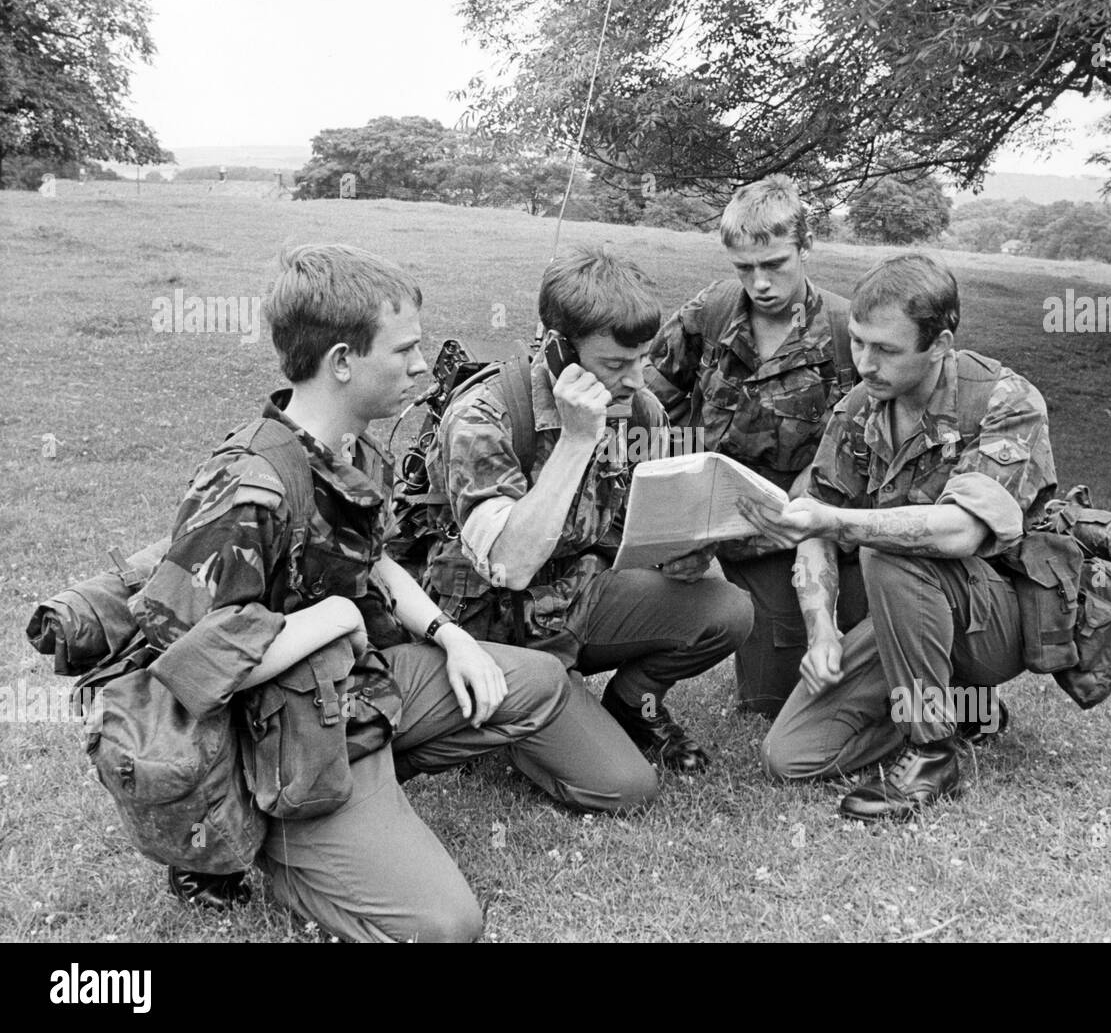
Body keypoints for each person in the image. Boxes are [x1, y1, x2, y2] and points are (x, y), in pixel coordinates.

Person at [134, 244, 657, 942]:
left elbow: (375, 560)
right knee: (447, 927)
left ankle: (378, 793)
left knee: (558, 712)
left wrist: (452, 637)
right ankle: (264, 838)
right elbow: (198, 672)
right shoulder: (247, 487)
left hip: (360, 688)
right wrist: (338, 614)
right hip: (282, 741)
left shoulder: (356, 445)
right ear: (344, 361)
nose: (422, 366)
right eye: (404, 350)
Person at [740, 252, 1057, 819]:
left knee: (891, 553)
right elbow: (815, 512)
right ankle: (964, 708)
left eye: (885, 349)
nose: (864, 363)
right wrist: (822, 632)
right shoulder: (861, 407)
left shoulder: (1005, 402)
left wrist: (840, 525)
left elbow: (958, 532)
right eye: (858, 342)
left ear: (939, 343)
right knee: (789, 756)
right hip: (905, 616)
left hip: (993, 620)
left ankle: (933, 751)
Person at [421, 245, 753, 773]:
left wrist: (683, 550)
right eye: (616, 364)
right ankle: (505, 716)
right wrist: (577, 441)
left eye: (643, 359)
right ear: (558, 351)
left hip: (578, 599)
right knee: (622, 784)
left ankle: (630, 708)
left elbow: (640, 525)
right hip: (497, 628)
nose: (637, 380)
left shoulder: (639, 410)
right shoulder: (485, 416)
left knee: (725, 609)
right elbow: (510, 566)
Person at [644, 175, 864, 719]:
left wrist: (808, 502)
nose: (759, 283)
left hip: (784, 532)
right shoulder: (713, 312)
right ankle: (635, 694)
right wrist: (672, 474)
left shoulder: (844, 332)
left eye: (774, 265)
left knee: (773, 699)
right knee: (629, 598)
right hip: (700, 510)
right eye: (744, 268)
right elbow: (649, 395)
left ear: (806, 247)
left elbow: (865, 447)